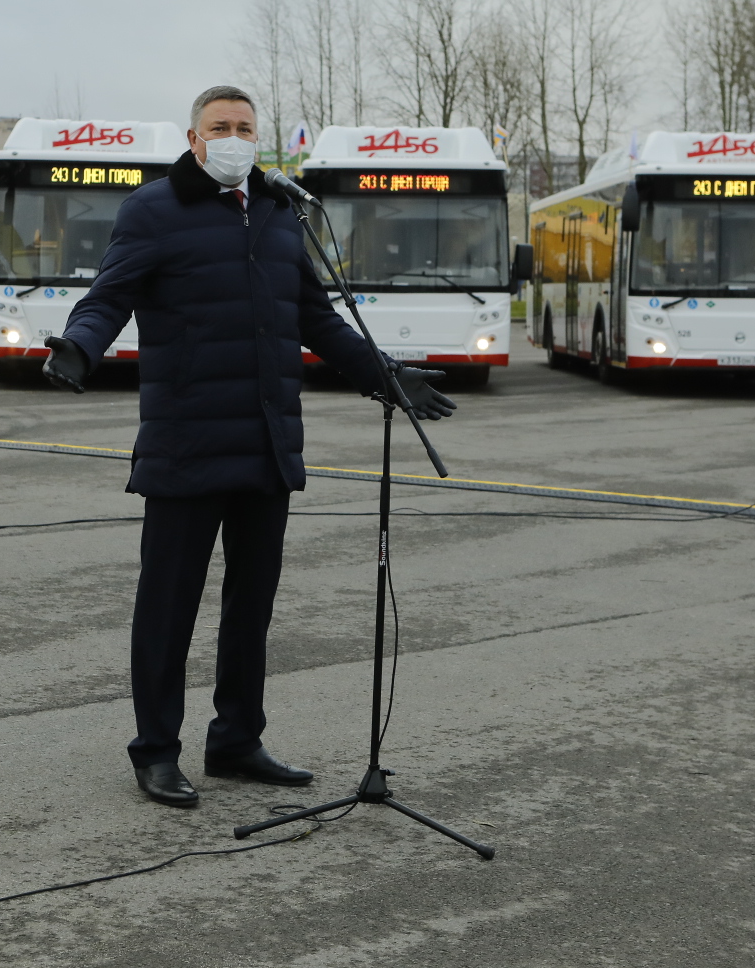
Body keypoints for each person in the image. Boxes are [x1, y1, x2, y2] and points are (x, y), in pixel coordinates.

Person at [42, 84, 456, 808]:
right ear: (194, 138)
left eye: (244, 127)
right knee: (168, 606)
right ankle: (156, 751)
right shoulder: (152, 210)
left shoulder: (278, 211)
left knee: (250, 607)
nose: (233, 137)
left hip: (267, 446)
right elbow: (109, 295)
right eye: (219, 127)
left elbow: (318, 322)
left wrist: (386, 375)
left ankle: (236, 739)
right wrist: (80, 347)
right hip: (186, 444)